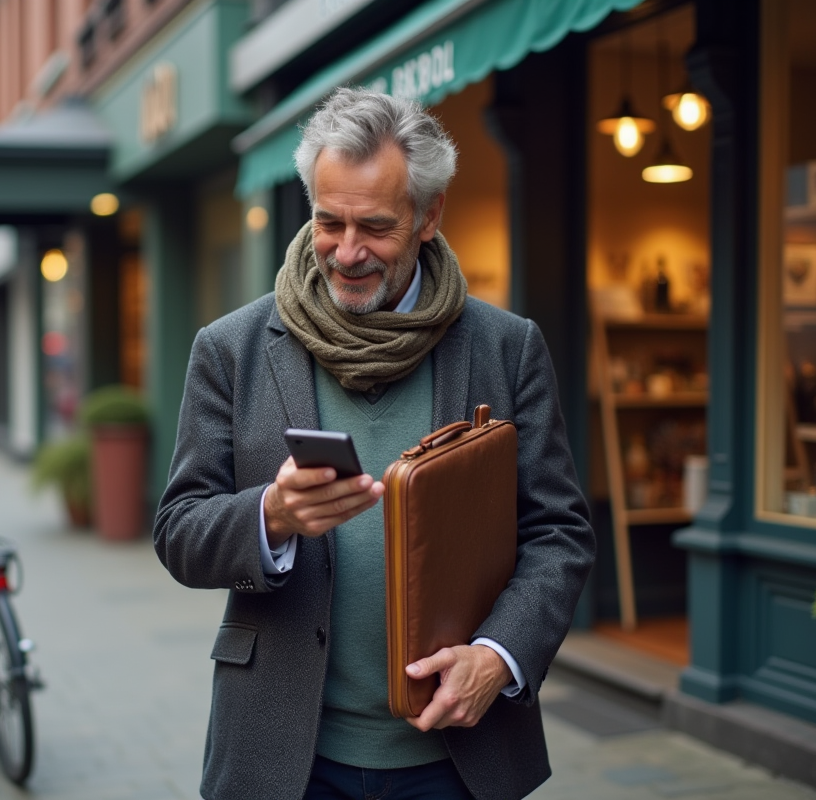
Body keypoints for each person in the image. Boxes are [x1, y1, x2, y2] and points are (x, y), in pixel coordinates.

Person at [154, 89, 595, 800]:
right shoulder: (230, 349)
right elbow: (178, 531)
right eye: (329, 221)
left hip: (458, 760)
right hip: (283, 758)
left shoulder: (506, 347)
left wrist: (498, 655)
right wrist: (270, 515)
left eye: (376, 227)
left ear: (429, 216)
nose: (347, 252)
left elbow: (559, 533)